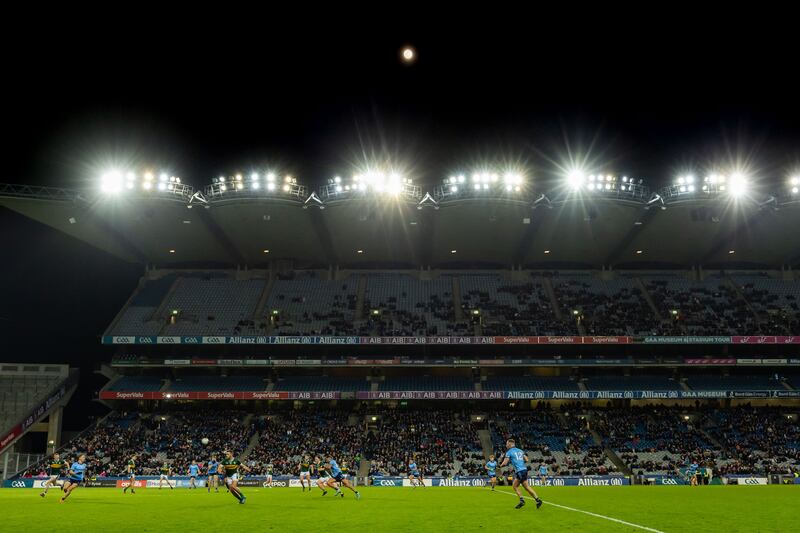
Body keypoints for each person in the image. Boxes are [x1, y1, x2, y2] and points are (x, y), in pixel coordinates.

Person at [499, 439, 543, 510]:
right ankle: (537, 500)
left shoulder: (509, 452)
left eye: (507, 444)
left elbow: (505, 462)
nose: (506, 445)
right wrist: (519, 461)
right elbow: (526, 459)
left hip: (519, 471)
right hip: (524, 470)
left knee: (516, 486)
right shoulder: (520, 450)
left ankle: (523, 500)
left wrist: (499, 466)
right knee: (525, 487)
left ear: (510, 444)